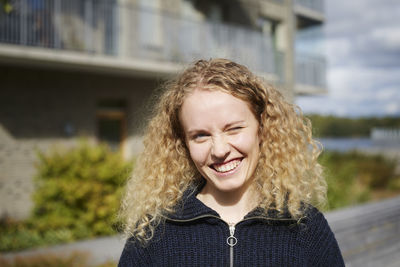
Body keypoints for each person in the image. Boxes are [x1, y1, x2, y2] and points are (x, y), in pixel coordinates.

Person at [118, 58, 345, 266]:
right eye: (200, 135)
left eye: (234, 129)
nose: (219, 150)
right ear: (184, 143)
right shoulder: (153, 232)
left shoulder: (305, 226)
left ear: (262, 128)